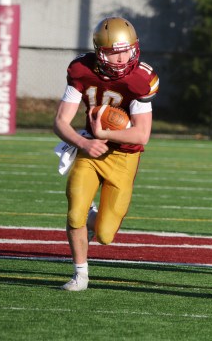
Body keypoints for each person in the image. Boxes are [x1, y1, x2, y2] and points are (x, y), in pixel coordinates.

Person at [53, 16, 159, 291]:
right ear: (100, 52)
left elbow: (141, 134)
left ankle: (93, 220)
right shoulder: (81, 70)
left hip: (124, 157)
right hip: (90, 151)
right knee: (75, 213)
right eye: (114, 53)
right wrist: (84, 142)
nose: (122, 58)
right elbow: (61, 122)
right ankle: (80, 275)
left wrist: (104, 133)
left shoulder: (140, 79)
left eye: (127, 51)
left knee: (105, 234)